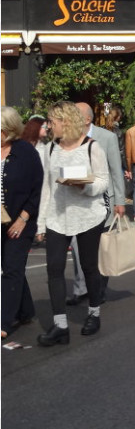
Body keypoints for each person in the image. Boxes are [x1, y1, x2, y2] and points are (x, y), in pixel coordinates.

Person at [36, 101, 110, 346]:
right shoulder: (49, 150)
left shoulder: (92, 147)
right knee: (54, 269)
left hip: (89, 216)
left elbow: (102, 182)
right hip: (58, 217)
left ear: (65, 122)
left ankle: (94, 313)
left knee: (89, 267)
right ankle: (61, 326)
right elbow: (46, 188)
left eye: (52, 122)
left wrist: (84, 185)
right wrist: (40, 223)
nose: (48, 126)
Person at [68, 102, 127, 306]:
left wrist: (120, 201)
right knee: (78, 248)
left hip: (104, 201)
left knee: (102, 248)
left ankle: (99, 289)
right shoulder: (68, 137)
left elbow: (115, 170)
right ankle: (82, 288)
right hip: (79, 202)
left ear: (86, 119)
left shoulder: (107, 137)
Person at [1, 107, 43, 340]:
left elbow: (36, 190)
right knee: (11, 267)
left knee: (11, 270)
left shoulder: (25, 152)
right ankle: (26, 310)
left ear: (8, 131)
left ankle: (4, 320)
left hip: (20, 221)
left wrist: (23, 219)